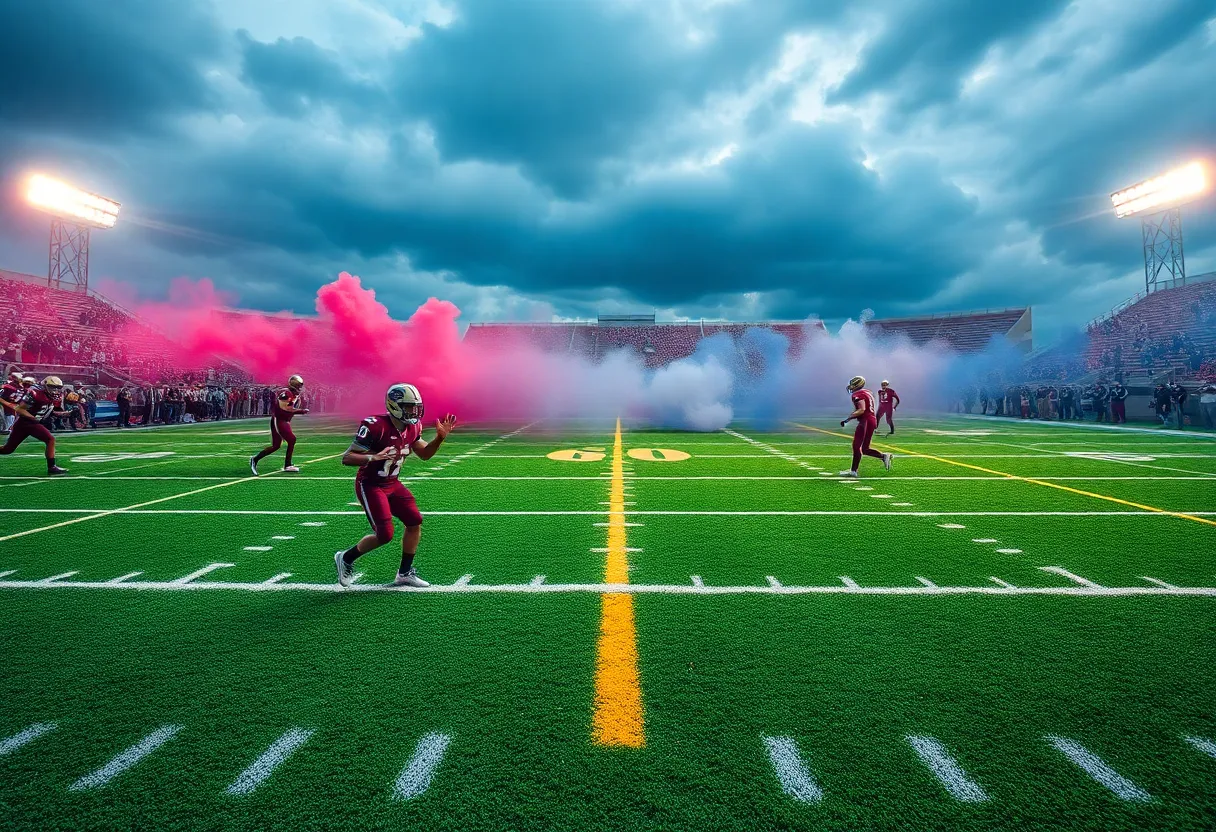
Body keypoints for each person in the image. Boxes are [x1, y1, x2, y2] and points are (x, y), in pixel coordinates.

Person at [334, 383, 458, 588]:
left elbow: (425, 454)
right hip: (371, 484)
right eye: (408, 407)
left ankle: (405, 573)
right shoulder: (375, 426)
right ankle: (346, 558)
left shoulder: (413, 427)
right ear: (394, 406)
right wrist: (373, 457)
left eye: (416, 407)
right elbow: (347, 458)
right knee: (385, 535)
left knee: (414, 521)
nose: (413, 412)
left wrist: (438, 439)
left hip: (392, 483)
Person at [0, 376, 70, 475]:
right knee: (50, 439)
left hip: (27, 423)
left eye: (58, 387)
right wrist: (33, 418)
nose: (55, 390)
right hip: (26, 422)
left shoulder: (49, 396)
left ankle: (52, 467)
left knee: (7, 449)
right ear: (45, 385)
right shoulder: (36, 393)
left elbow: (46, 411)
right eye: (52, 387)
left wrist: (64, 414)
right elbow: (20, 409)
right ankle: (52, 467)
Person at [250, 374, 310, 475]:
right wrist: (301, 411)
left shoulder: (293, 394)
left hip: (284, 420)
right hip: (279, 420)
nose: (300, 388)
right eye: (299, 385)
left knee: (276, 446)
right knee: (291, 439)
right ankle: (287, 465)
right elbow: (286, 408)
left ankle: (255, 459)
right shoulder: (286, 393)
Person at [838, 375, 891, 478]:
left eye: (853, 384)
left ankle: (853, 471)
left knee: (856, 446)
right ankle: (883, 456)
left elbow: (862, 409)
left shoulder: (857, 394)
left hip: (865, 421)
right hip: (872, 420)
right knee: (865, 449)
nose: (850, 386)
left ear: (857, 385)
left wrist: (848, 418)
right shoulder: (868, 392)